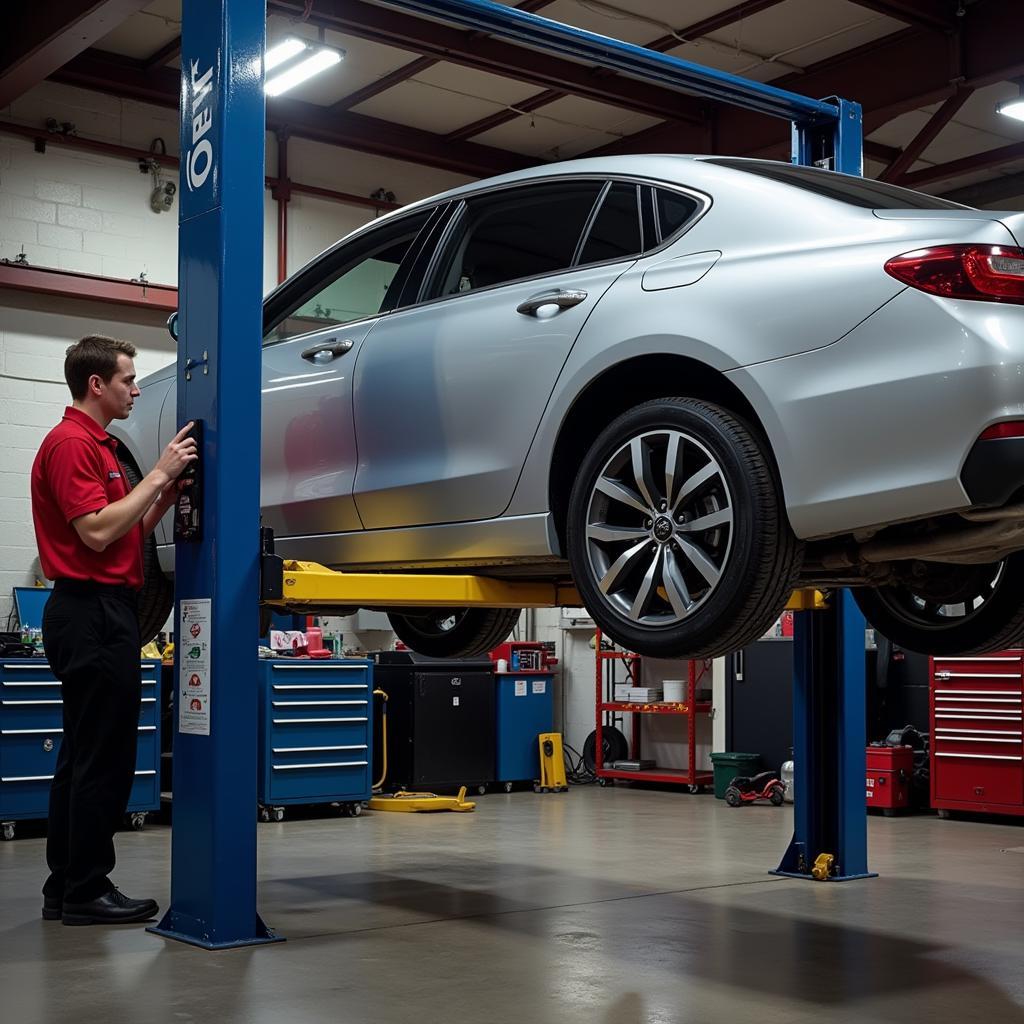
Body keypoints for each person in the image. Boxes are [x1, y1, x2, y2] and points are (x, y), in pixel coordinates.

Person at [30, 335, 197, 926]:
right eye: (128, 379)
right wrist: (156, 474)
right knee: (104, 758)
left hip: (99, 611)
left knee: (82, 756)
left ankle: (64, 885)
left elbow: (123, 529)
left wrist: (161, 496)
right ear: (96, 385)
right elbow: (96, 534)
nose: (136, 388)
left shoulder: (96, 445)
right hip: (92, 614)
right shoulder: (72, 444)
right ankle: (86, 888)